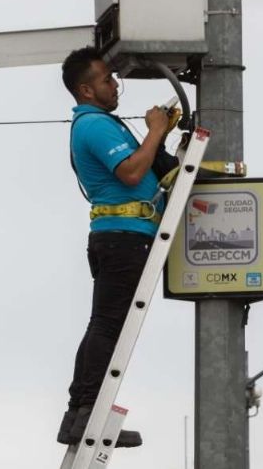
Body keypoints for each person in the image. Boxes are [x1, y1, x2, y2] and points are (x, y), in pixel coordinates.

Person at [57, 46, 177, 448]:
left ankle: (79, 412)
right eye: (107, 79)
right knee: (109, 325)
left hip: (121, 235)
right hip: (124, 236)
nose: (114, 85)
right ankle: (87, 412)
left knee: (104, 323)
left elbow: (144, 165)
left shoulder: (98, 122)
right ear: (86, 90)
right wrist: (156, 130)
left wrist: (161, 138)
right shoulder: (94, 125)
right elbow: (130, 172)